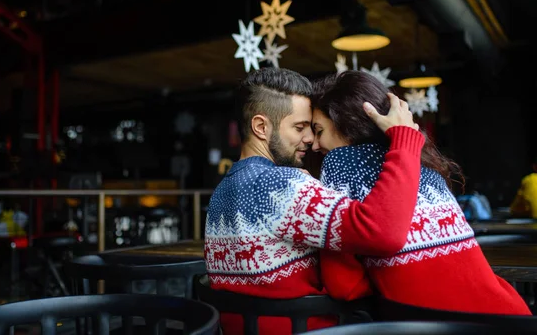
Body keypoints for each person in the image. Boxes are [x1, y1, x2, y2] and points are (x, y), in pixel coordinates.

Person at [205, 67, 426, 335]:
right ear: (261, 127)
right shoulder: (282, 185)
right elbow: (381, 231)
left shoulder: (221, 192)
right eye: (299, 127)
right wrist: (404, 141)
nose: (309, 139)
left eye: (311, 128)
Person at [312, 70, 530, 315]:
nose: (314, 144)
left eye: (319, 131)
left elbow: (345, 287)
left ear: (346, 123)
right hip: (510, 315)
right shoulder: (422, 166)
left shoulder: (340, 162)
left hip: (440, 326)